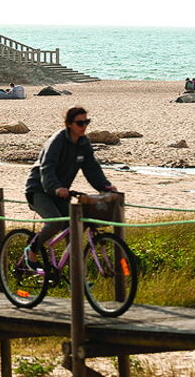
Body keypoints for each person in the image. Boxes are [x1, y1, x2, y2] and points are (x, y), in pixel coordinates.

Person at [24, 106, 117, 268]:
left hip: (60, 193)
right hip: (39, 189)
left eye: (86, 122)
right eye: (80, 123)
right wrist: (56, 187)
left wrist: (106, 187)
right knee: (55, 223)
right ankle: (31, 250)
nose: (84, 126)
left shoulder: (83, 143)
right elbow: (47, 167)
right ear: (68, 124)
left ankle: (74, 276)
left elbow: (92, 169)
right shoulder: (57, 141)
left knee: (75, 228)